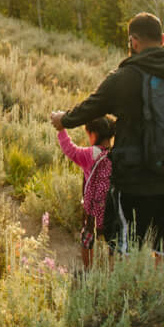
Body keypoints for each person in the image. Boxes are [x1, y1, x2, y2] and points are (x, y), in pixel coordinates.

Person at [52, 13, 164, 265]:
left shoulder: (123, 78)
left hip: (134, 183)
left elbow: (90, 107)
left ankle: (126, 301)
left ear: (133, 41)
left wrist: (62, 120)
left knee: (124, 252)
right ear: (162, 39)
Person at [57, 114, 116, 270]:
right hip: (112, 209)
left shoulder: (90, 154)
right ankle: (113, 271)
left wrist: (61, 130)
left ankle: (88, 269)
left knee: (87, 239)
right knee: (114, 243)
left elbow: (70, 150)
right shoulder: (116, 154)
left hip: (92, 211)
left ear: (93, 134)